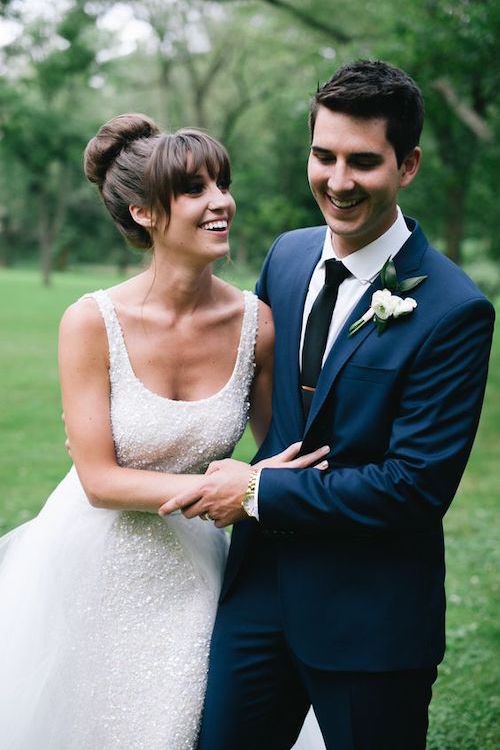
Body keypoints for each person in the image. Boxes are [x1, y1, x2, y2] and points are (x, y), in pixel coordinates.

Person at [161, 60, 495, 749]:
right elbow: (262, 404)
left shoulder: (455, 310)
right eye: (324, 155)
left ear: (409, 166)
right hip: (255, 601)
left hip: (369, 623)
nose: (338, 181)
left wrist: (257, 490)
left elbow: (413, 488)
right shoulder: (286, 257)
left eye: (364, 162)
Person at [0, 114, 326, 749]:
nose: (220, 202)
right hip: (89, 563)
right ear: (144, 212)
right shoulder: (91, 321)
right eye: (194, 190)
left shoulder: (253, 323)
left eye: (221, 183)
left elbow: (279, 445)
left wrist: (265, 481)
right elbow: (98, 480)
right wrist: (242, 488)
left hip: (201, 566)